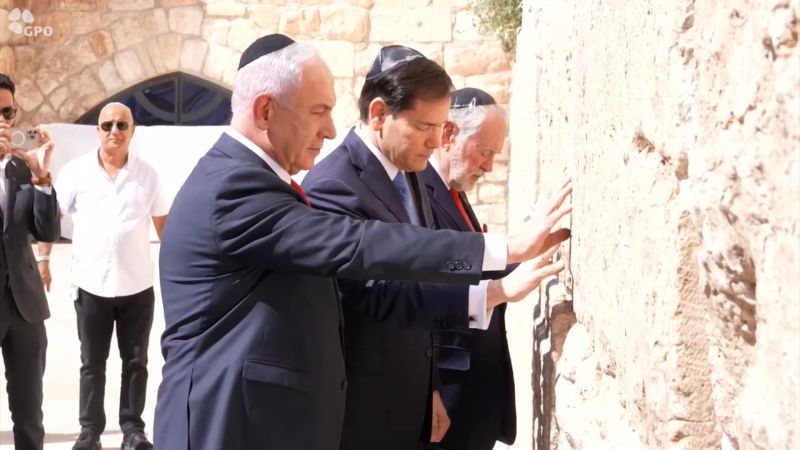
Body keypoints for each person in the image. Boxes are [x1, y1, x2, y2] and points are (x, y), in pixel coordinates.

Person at [154, 34, 571, 450]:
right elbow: (359, 244)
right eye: (318, 111)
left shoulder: (256, 181)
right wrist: (503, 250)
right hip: (226, 427)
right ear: (265, 110)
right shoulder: (233, 187)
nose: (331, 128)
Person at [303, 47, 566, 450]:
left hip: (414, 405)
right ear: (378, 114)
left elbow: (428, 267)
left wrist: (431, 391)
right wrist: (501, 269)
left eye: (442, 126)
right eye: (425, 126)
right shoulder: (333, 187)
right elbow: (382, 296)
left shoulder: (411, 170)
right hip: (365, 413)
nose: (435, 141)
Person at [38, 102, 168, 450]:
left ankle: (132, 431)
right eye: (107, 125)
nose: (114, 131)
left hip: (137, 285)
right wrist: (44, 259)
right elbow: (52, 219)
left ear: (132, 131)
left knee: (136, 362)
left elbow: (164, 227)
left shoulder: (148, 175)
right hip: (91, 284)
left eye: (122, 125)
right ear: (97, 130)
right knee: (92, 363)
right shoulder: (76, 173)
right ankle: (90, 432)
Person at [424, 87, 517, 450]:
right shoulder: (420, 194)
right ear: (449, 135)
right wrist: (429, 388)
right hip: (447, 397)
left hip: (474, 397)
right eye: (484, 151)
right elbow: (424, 292)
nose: (489, 166)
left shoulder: (455, 193)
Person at [0, 72, 60, 450]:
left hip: (24, 306)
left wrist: (41, 177)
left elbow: (47, 230)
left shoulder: (22, 167)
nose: (4, 120)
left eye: (8, 111)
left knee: (29, 417)